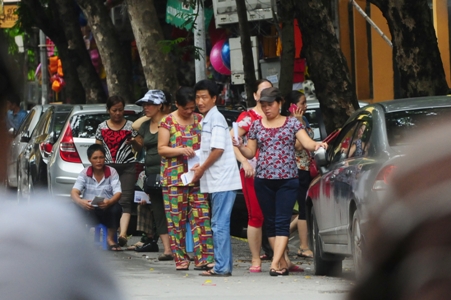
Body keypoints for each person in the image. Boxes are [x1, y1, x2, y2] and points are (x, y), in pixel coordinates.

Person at [233, 87, 327, 276]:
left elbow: (306, 143)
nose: (267, 109)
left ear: (280, 103)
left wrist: (317, 144)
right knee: (271, 222)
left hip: (287, 180)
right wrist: (241, 148)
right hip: (263, 180)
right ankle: (282, 262)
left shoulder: (292, 123)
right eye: (263, 105)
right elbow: (251, 152)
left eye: (270, 105)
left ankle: (275, 263)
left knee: (283, 222)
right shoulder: (257, 125)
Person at [158, 86, 214, 271]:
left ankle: (203, 257)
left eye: (192, 108)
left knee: (201, 216)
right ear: (176, 105)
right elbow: (162, 148)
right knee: (176, 220)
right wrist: (181, 150)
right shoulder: (167, 122)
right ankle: (180, 258)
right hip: (174, 180)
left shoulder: (199, 120)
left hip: (197, 177)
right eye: (186, 108)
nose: (190, 111)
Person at [192, 80, 242, 277]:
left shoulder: (216, 119)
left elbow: (218, 149)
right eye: (197, 97)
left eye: (204, 97)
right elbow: (210, 149)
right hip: (217, 179)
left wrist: (202, 168)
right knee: (219, 223)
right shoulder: (209, 118)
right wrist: (200, 164)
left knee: (219, 224)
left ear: (214, 98)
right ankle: (223, 265)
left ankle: (221, 267)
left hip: (222, 180)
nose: (200, 101)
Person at [230, 79, 272, 272]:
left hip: (275, 173)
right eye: (262, 92)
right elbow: (232, 139)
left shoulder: (277, 117)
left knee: (275, 216)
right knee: (256, 216)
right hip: (252, 171)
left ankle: (281, 258)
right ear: (255, 96)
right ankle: (256, 259)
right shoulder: (248, 117)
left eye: (270, 92)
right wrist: (244, 161)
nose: (266, 96)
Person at [95, 95, 141, 247]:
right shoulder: (101, 127)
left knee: (125, 200)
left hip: (127, 166)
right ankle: (109, 232)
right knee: (106, 199)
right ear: (108, 110)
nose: (118, 113)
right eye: (114, 110)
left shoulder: (131, 126)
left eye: (120, 110)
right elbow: (97, 149)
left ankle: (122, 234)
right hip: (108, 167)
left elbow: (139, 148)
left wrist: (135, 142)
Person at [133, 89, 173, 259]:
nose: (145, 107)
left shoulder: (171, 121)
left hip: (170, 172)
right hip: (151, 175)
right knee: (158, 211)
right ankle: (167, 250)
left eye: (150, 104)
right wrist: (151, 114)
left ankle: (179, 247)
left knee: (174, 210)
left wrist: (162, 112)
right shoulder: (145, 125)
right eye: (144, 104)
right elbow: (135, 129)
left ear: (161, 105)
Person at [71, 144, 123, 251]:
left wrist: (109, 202)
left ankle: (110, 239)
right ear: (90, 160)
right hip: (89, 210)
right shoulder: (85, 173)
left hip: (106, 210)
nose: (98, 161)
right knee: (75, 207)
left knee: (116, 208)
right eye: (95, 158)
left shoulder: (111, 172)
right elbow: (74, 192)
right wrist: (81, 202)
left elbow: (118, 193)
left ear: (105, 158)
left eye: (101, 157)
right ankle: (80, 239)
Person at [283, 90, 314, 259]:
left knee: (303, 207)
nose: (305, 106)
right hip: (295, 169)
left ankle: (298, 245)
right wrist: (299, 122)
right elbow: (299, 146)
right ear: (293, 106)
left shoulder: (303, 119)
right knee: (295, 208)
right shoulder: (288, 122)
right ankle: (301, 246)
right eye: (302, 103)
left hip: (305, 168)